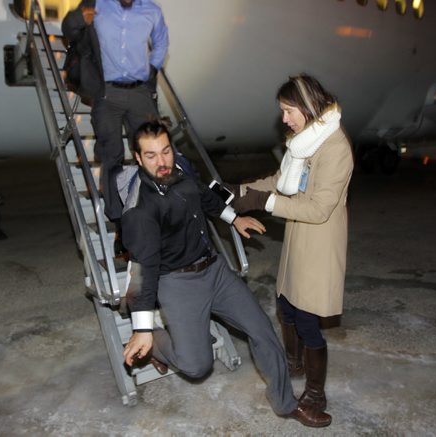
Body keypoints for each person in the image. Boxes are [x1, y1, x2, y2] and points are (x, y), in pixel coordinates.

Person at [121, 120, 332, 428]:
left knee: (262, 331)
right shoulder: (139, 208)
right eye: (151, 155)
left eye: (166, 151)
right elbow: (142, 268)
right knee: (197, 366)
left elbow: (203, 196)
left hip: (215, 270)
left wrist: (234, 218)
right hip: (177, 283)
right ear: (137, 158)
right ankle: (157, 342)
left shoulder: (178, 167)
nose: (162, 161)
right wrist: (141, 329)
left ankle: (286, 405)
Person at [231, 74, 354, 423]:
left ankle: (316, 392)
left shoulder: (335, 148)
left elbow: (318, 208)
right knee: (285, 303)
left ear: (307, 105)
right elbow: (282, 183)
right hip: (298, 237)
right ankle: (293, 362)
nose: (284, 119)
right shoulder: (303, 142)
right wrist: (242, 190)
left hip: (319, 241)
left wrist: (264, 203)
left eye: (288, 110)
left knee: (307, 318)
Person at [62, 0, 169, 227]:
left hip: (139, 92)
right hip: (106, 94)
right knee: (111, 156)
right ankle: (119, 218)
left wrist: (151, 71)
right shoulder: (96, 4)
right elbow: (69, 29)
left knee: (153, 152)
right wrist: (83, 17)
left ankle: (158, 209)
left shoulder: (150, 9)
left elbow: (160, 42)